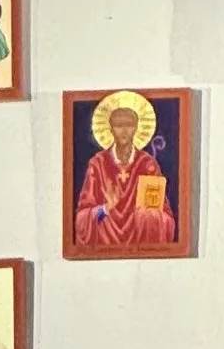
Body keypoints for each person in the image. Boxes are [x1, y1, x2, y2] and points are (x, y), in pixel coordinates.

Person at [73, 92, 176, 252]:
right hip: (105, 238)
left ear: (136, 128)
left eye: (129, 125)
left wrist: (145, 214)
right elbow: (81, 219)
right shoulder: (98, 164)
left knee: (146, 216)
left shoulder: (147, 164)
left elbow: (164, 216)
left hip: (139, 234)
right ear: (111, 129)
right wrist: (106, 209)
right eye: (118, 125)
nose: (124, 131)